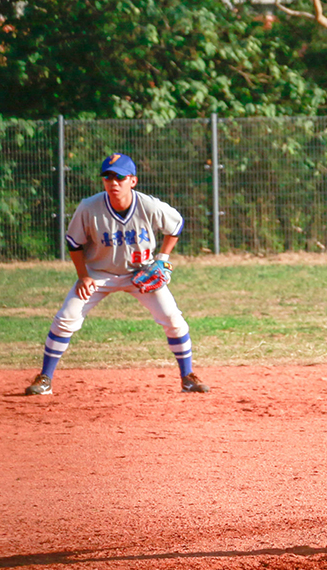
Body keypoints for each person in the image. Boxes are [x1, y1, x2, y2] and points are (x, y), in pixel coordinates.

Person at [24, 153, 208, 396]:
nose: (114, 182)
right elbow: (74, 243)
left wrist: (162, 258)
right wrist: (83, 276)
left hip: (141, 274)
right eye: (108, 177)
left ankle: (187, 378)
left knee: (173, 319)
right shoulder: (89, 207)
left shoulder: (148, 205)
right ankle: (45, 378)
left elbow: (175, 225)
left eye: (120, 177)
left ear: (133, 180)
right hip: (99, 273)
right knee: (65, 318)